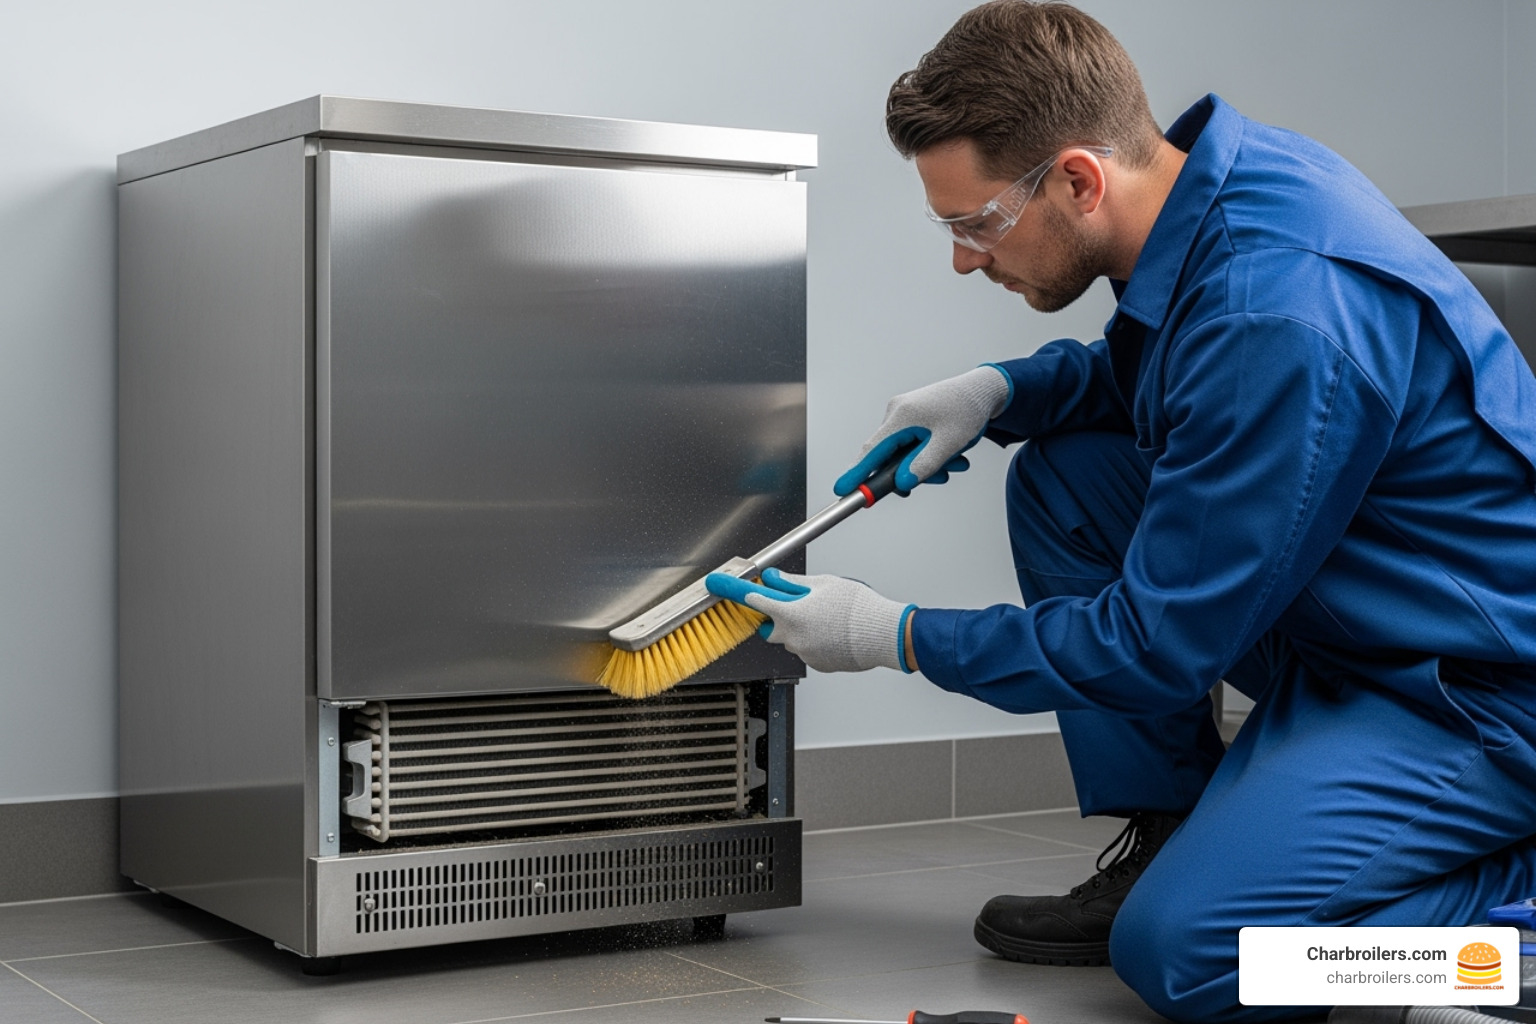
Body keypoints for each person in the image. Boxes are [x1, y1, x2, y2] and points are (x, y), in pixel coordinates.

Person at [704, 2, 1536, 1022]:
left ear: (1078, 181)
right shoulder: (1216, 188)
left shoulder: (1278, 305)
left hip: (1472, 692)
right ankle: (1175, 830)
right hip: (1363, 617)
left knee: (1199, 957)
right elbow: (1178, 374)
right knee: (1067, 475)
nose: (964, 258)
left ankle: (1507, 944)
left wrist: (895, 635)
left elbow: (1154, 645)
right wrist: (1004, 392)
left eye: (976, 224)